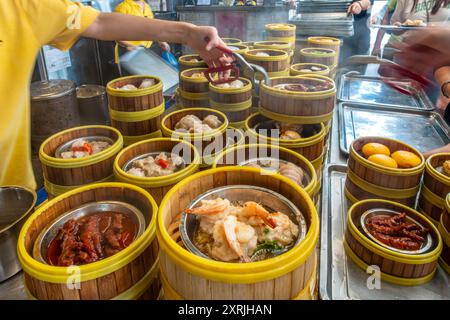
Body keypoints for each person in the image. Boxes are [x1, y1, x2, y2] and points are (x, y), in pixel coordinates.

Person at [0, 0, 232, 190]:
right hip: (127, 55)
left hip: (13, 190)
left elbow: (99, 22)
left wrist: (188, 33)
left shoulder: (18, 7)